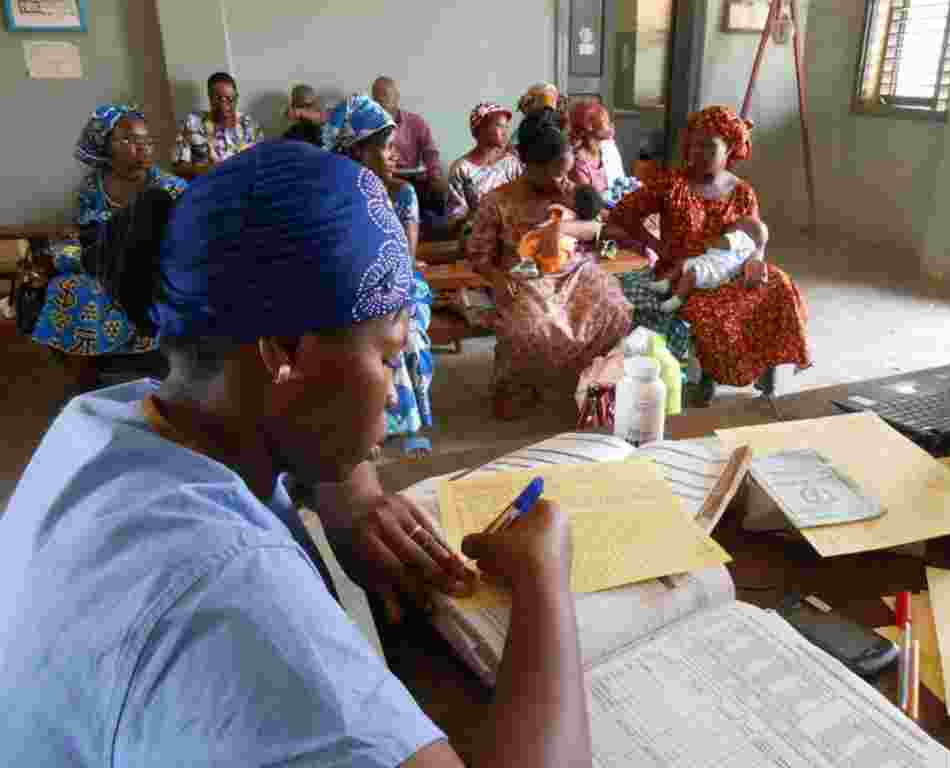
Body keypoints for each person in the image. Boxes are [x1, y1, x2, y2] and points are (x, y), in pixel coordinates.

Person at [0, 141, 592, 767]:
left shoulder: (108, 420)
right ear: (283, 350)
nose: (396, 390)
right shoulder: (232, 601)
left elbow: (302, 419)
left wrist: (352, 492)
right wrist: (542, 579)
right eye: (389, 358)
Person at [608, 105, 811, 401]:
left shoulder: (742, 192)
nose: (696, 153)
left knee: (778, 285)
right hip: (684, 273)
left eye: (708, 146)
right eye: (693, 144)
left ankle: (767, 367)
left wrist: (756, 261)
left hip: (730, 266)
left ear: (729, 148)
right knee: (713, 309)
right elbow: (622, 215)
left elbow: (754, 235)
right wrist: (655, 246)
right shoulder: (671, 184)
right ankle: (708, 375)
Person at [467, 108, 633, 420]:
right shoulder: (497, 201)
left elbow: (603, 233)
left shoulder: (571, 192)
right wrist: (498, 278)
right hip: (525, 277)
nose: (563, 179)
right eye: (556, 171)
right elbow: (478, 255)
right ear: (530, 166)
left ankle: (589, 386)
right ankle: (518, 388)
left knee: (615, 309)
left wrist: (583, 236)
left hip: (576, 271)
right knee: (532, 328)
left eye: (566, 171)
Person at [31, 103, 187, 393]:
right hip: (102, 260)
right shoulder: (93, 186)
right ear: (107, 145)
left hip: (150, 265)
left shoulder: (171, 188)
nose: (141, 148)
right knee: (64, 285)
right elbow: (84, 230)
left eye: (145, 140)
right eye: (128, 140)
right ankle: (86, 374)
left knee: (110, 286)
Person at [325, 94, 434, 456]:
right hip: (350, 287)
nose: (395, 155)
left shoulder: (402, 194)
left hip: (400, 285)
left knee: (403, 334)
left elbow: (404, 257)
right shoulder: (331, 199)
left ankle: (405, 423)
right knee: (348, 336)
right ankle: (365, 423)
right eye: (386, 147)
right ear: (357, 152)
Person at [371, 76, 447, 239]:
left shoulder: (416, 122)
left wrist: (435, 175)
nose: (382, 103)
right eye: (377, 99)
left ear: (397, 98)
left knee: (437, 193)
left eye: (386, 97)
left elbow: (430, 152)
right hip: (381, 179)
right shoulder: (369, 127)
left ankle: (430, 236)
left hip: (413, 177)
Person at [446, 102, 522, 241]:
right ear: (480, 129)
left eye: (506, 127)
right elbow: (455, 221)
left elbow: (523, 202)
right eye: (499, 126)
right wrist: (476, 214)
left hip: (512, 235)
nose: (505, 132)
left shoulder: (512, 163)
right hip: (477, 239)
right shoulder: (461, 169)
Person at [173, 72, 263, 178]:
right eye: (217, 98)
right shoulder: (193, 123)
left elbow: (262, 164)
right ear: (209, 98)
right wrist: (204, 170)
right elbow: (178, 168)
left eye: (229, 99)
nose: (223, 104)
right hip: (206, 187)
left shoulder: (250, 126)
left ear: (237, 97)